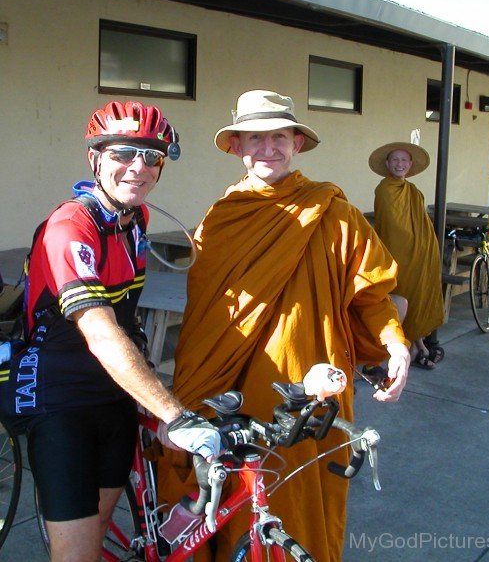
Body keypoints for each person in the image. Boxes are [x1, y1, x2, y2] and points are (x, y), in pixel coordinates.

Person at [157, 90, 411, 562]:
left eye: (278, 137)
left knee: (302, 500)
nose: (267, 148)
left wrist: (395, 344)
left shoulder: (334, 213)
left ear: (297, 143)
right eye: (255, 138)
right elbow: (207, 315)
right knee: (225, 495)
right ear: (236, 147)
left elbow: (371, 295)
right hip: (231, 385)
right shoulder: (221, 219)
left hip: (308, 387)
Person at [0, 101, 222, 562]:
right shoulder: (69, 227)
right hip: (60, 398)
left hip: (113, 392)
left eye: (153, 156)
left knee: (100, 528)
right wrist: (172, 414)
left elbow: (127, 318)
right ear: (95, 158)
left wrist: (146, 397)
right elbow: (100, 331)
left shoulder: (134, 220)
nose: (138, 168)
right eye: (123, 153)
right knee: (77, 554)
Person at [369, 142, 445, 369]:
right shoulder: (384, 189)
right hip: (398, 254)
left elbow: (421, 221)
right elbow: (393, 226)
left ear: (410, 165)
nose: (399, 164)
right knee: (401, 295)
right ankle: (409, 347)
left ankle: (417, 345)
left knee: (417, 296)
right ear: (387, 164)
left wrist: (424, 246)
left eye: (404, 160)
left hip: (421, 253)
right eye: (395, 160)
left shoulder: (413, 190)